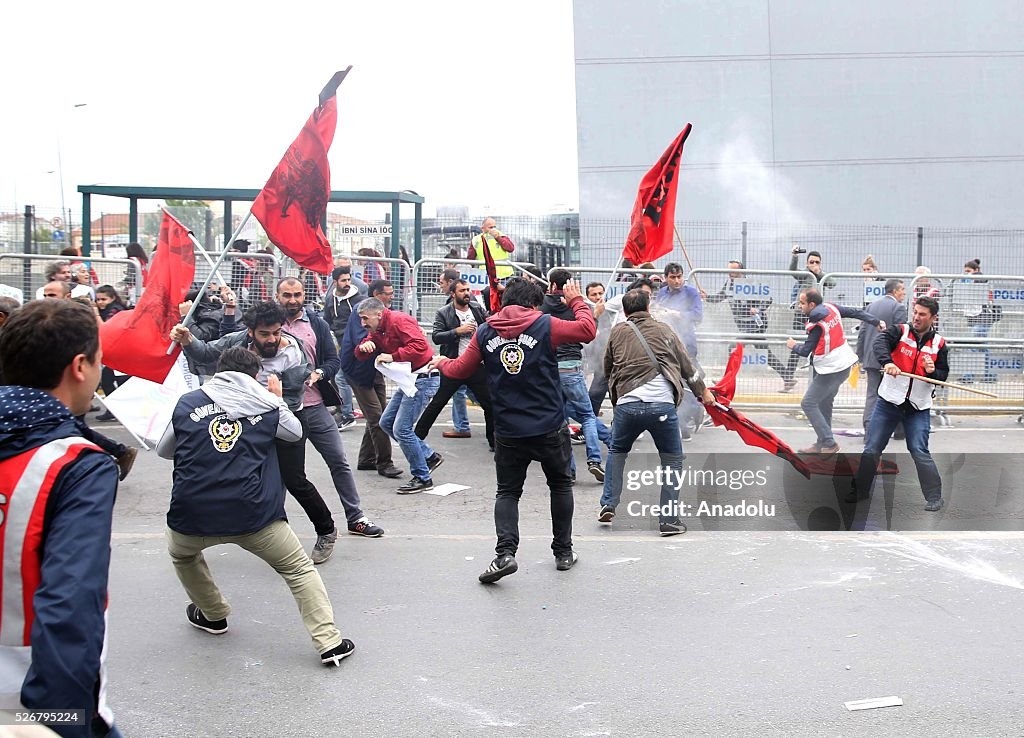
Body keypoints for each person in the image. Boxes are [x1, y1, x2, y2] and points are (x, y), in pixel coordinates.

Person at [157, 346, 355, 667]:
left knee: (182, 554)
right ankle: (329, 642)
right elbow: (294, 433)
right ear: (255, 376)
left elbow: (165, 450)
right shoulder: (264, 404)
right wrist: (275, 399)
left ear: (219, 370)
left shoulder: (188, 402)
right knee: (299, 570)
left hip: (191, 515)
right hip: (254, 516)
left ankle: (213, 614)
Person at [0, 299, 123, 737]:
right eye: (99, 362)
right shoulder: (75, 464)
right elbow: (70, 603)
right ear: (79, 367)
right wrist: (62, 723)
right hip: (29, 701)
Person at [171, 301, 373, 564]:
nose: (272, 339)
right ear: (251, 332)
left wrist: (264, 398)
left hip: (285, 416)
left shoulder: (292, 353)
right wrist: (187, 339)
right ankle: (262, 534)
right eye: (265, 334)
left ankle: (326, 529)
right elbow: (207, 354)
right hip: (249, 418)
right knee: (248, 474)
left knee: (294, 479)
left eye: (276, 332)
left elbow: (287, 401)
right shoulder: (237, 341)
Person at [430, 277, 597, 583]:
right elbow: (587, 330)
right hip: (547, 424)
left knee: (508, 492)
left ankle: (504, 554)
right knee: (560, 486)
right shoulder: (545, 325)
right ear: (533, 303)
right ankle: (563, 552)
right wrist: (576, 301)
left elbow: (459, 370)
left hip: (508, 428)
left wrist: (441, 361)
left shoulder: (485, 331)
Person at [597, 288, 716, 535]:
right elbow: (688, 368)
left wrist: (620, 392)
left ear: (626, 311)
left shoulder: (617, 331)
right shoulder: (665, 330)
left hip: (627, 406)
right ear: (648, 308)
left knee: (617, 452)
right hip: (662, 406)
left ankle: (608, 503)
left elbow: (606, 367)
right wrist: (703, 392)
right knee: (672, 460)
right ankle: (668, 520)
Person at [851, 296, 948, 511]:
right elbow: (879, 343)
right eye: (915, 312)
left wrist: (934, 371)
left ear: (933, 317)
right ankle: (860, 491)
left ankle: (934, 497)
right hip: (889, 402)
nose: (916, 317)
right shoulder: (899, 331)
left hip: (917, 407)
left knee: (919, 450)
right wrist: (888, 362)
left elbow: (943, 376)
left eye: (922, 314)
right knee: (872, 447)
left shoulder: (939, 344)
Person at [355, 297, 442, 493]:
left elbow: (420, 346)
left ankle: (422, 476)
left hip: (423, 378)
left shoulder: (398, 320)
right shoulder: (379, 328)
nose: (363, 323)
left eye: (364, 318)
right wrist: (363, 347)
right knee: (386, 423)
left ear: (378, 314)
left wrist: (392, 356)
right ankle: (428, 456)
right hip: (410, 380)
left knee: (402, 429)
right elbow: (364, 349)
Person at [786, 289, 884, 454]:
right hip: (842, 364)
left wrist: (793, 345)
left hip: (830, 369)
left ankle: (829, 443)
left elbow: (805, 350)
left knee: (808, 403)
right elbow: (856, 312)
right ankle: (821, 443)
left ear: (812, 304)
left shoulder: (816, 325)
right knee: (824, 402)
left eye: (802, 303)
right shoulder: (832, 308)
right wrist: (875, 321)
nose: (800, 306)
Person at [539, 268, 608, 482]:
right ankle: (594, 460)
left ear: (551, 285)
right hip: (572, 366)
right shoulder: (579, 306)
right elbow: (589, 334)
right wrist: (594, 315)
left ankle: (569, 470)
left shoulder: (541, 306)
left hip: (550, 367)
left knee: (561, 419)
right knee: (587, 415)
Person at [414, 279, 495, 449]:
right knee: (438, 402)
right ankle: (417, 437)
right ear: (453, 294)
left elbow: (490, 326)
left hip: (475, 366)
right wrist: (457, 331)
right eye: (462, 291)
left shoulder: (476, 308)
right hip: (453, 365)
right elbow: (436, 336)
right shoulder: (444, 312)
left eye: (468, 290)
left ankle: (494, 442)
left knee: (490, 404)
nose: (466, 293)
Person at [703, 259, 797, 391]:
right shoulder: (729, 284)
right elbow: (720, 297)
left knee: (734, 348)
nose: (731, 273)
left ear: (741, 271)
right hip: (744, 325)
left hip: (756, 325)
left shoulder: (750, 284)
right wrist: (706, 297)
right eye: (729, 270)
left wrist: (758, 309)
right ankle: (788, 378)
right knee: (766, 353)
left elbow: (768, 299)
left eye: (734, 271)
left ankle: (725, 381)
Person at [340, 281, 403, 479]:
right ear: (376, 295)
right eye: (387, 294)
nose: (390, 298)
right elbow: (368, 338)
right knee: (378, 418)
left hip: (374, 369)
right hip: (358, 371)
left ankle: (367, 458)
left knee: (379, 414)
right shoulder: (363, 313)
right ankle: (385, 462)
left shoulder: (384, 314)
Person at [855, 279, 908, 435]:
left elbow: (862, 333)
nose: (904, 292)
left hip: (871, 358)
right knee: (895, 393)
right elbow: (900, 336)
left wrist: (861, 356)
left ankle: (869, 429)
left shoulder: (871, 306)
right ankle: (899, 429)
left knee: (872, 394)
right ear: (895, 291)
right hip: (889, 360)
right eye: (902, 289)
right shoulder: (898, 308)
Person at [322, 265, 366, 430]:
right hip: (336, 342)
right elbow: (327, 320)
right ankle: (341, 408)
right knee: (334, 376)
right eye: (343, 280)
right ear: (335, 282)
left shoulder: (358, 300)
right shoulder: (330, 299)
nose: (347, 283)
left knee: (341, 378)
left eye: (349, 279)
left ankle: (347, 415)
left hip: (352, 343)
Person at [958, 258, 998, 384]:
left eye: (969, 271)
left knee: (974, 346)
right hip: (975, 318)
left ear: (976, 270)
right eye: (965, 271)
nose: (967, 274)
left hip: (983, 318)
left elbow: (981, 278)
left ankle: (968, 376)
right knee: (982, 347)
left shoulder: (980, 279)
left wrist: (972, 276)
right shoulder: (967, 282)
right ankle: (990, 375)